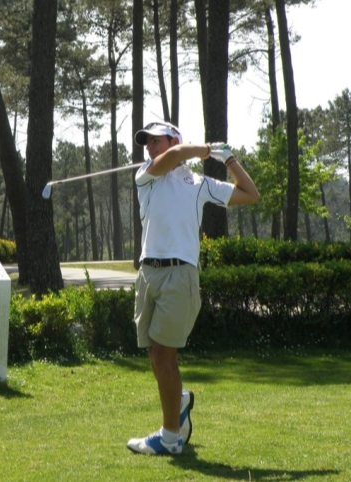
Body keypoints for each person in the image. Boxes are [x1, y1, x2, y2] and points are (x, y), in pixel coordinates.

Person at [126, 121, 260, 455]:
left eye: (156, 141)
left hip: (180, 274)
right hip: (148, 273)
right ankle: (179, 401)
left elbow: (250, 193)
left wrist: (228, 159)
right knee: (155, 355)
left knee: (165, 355)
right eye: (148, 143)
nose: (150, 147)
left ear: (172, 140)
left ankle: (170, 438)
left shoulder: (198, 183)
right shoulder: (147, 174)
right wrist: (204, 150)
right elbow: (174, 157)